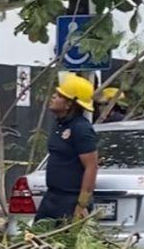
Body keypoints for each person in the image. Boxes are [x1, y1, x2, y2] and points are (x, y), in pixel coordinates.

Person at [37, 73, 100, 222]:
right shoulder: (59, 124)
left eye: (59, 96)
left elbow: (91, 167)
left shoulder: (81, 128)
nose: (53, 97)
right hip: (52, 198)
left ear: (69, 104)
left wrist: (81, 204)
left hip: (71, 201)